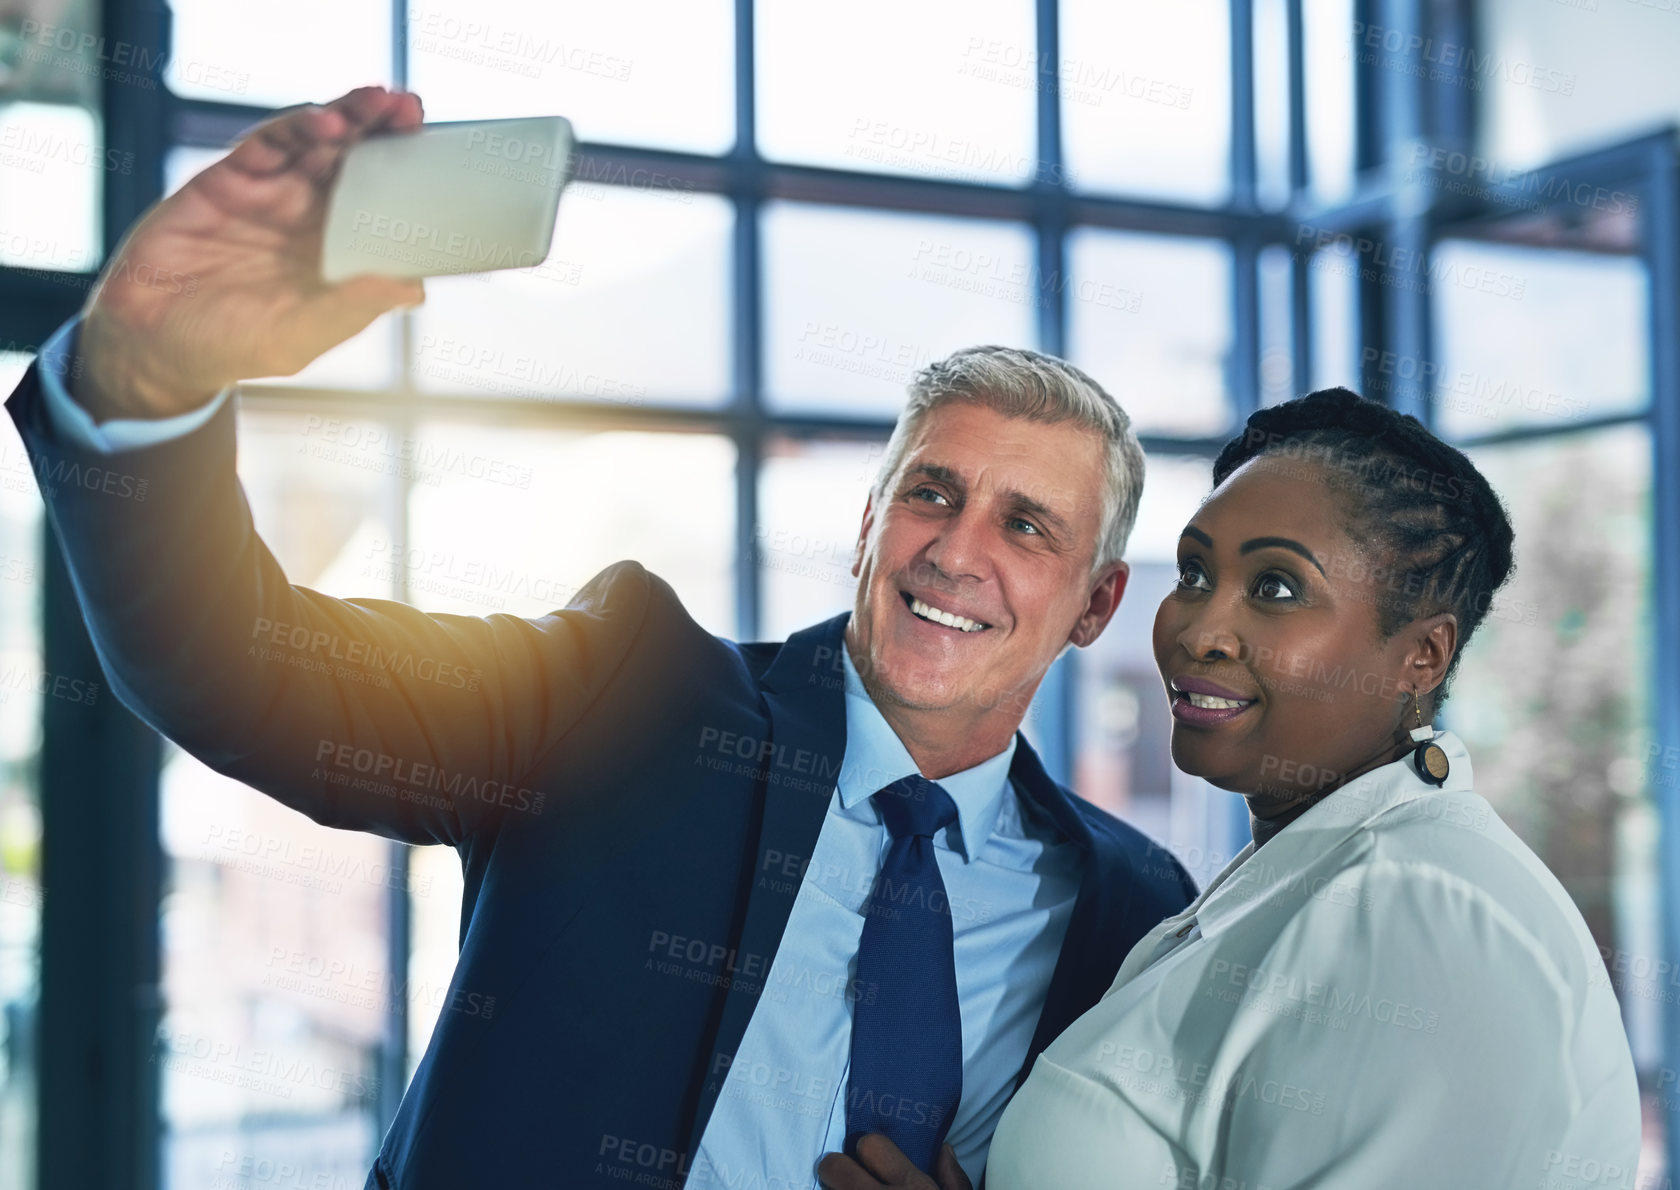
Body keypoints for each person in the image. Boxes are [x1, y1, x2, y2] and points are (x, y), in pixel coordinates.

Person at [3, 86, 1196, 1188]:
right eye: (932, 492)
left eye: (1026, 525)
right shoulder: (628, 696)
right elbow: (241, 669)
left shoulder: (1131, 909)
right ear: (869, 523)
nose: (956, 549)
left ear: (1094, 606)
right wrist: (140, 381)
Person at [818, 388, 1642, 1189]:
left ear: (1421, 656)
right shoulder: (1300, 874)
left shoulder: (1427, 908)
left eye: (1277, 588)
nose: (1201, 630)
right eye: (1195, 573)